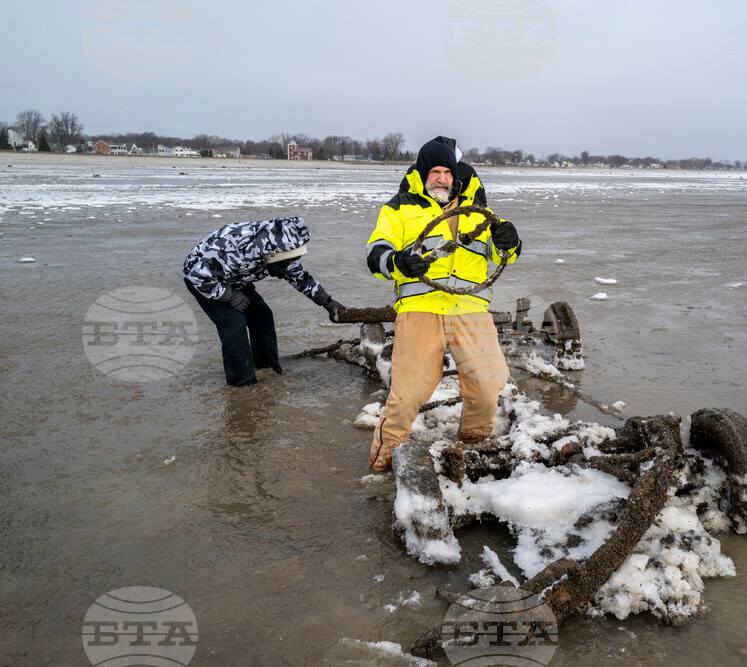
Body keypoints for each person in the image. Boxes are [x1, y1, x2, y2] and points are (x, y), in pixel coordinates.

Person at [365, 136, 522, 471]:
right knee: (406, 397)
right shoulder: (398, 210)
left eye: (446, 172)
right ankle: (381, 465)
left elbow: (502, 252)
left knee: (486, 387)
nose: (440, 178)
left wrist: (511, 241)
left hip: (471, 310)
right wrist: (398, 262)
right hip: (421, 309)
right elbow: (375, 252)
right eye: (434, 172)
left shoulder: (480, 212)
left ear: (456, 176)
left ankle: (469, 453)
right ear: (422, 175)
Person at [183, 216, 344, 386]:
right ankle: (242, 383)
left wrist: (327, 302)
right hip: (206, 281)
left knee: (262, 316)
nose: (290, 264)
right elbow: (198, 276)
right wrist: (229, 296)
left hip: (236, 277)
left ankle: (267, 369)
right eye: (287, 261)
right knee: (234, 324)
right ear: (272, 254)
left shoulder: (283, 245)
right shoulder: (238, 247)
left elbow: (299, 277)